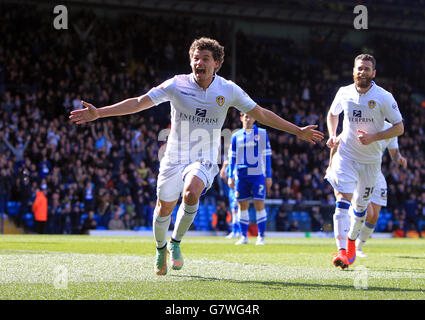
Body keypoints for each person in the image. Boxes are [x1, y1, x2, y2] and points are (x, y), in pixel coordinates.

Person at [70, 37, 324, 276]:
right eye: (195, 58)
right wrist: (99, 113)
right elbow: (138, 102)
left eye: (204, 58)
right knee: (163, 209)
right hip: (173, 156)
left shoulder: (229, 89)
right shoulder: (176, 84)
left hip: (204, 157)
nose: (198, 63)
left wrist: (297, 131)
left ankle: (176, 242)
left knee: (192, 192)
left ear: (217, 63)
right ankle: (160, 249)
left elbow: (261, 113)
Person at [325, 54, 404, 269]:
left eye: (367, 69)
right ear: (353, 71)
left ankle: (352, 243)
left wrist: (373, 138)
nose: (363, 72)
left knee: (361, 210)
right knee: (341, 201)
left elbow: (399, 127)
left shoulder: (384, 97)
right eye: (359, 68)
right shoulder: (344, 92)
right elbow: (333, 114)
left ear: (374, 73)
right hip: (347, 157)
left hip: (370, 164)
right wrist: (333, 134)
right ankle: (342, 251)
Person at [328, 121, 408, 257]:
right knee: (367, 212)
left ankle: (358, 247)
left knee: (374, 216)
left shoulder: (391, 129)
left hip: (375, 173)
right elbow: (337, 142)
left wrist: (399, 159)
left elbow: (394, 153)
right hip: (356, 171)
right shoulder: (362, 121)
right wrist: (330, 165)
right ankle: (348, 240)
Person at [228, 112, 272, 245]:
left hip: (258, 175)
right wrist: (230, 176)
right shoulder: (236, 136)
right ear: (241, 118)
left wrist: (268, 175)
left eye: (251, 116)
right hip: (241, 175)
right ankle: (243, 237)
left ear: (254, 118)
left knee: (259, 204)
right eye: (246, 117)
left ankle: (261, 237)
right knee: (242, 206)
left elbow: (267, 156)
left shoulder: (263, 134)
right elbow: (232, 158)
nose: (248, 119)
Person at [219, 158, 240, 239]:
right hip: (231, 191)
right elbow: (222, 176)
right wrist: (224, 166)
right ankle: (235, 231)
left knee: (239, 210)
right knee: (234, 211)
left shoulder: (240, 165)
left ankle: (240, 231)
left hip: (238, 190)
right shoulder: (230, 166)